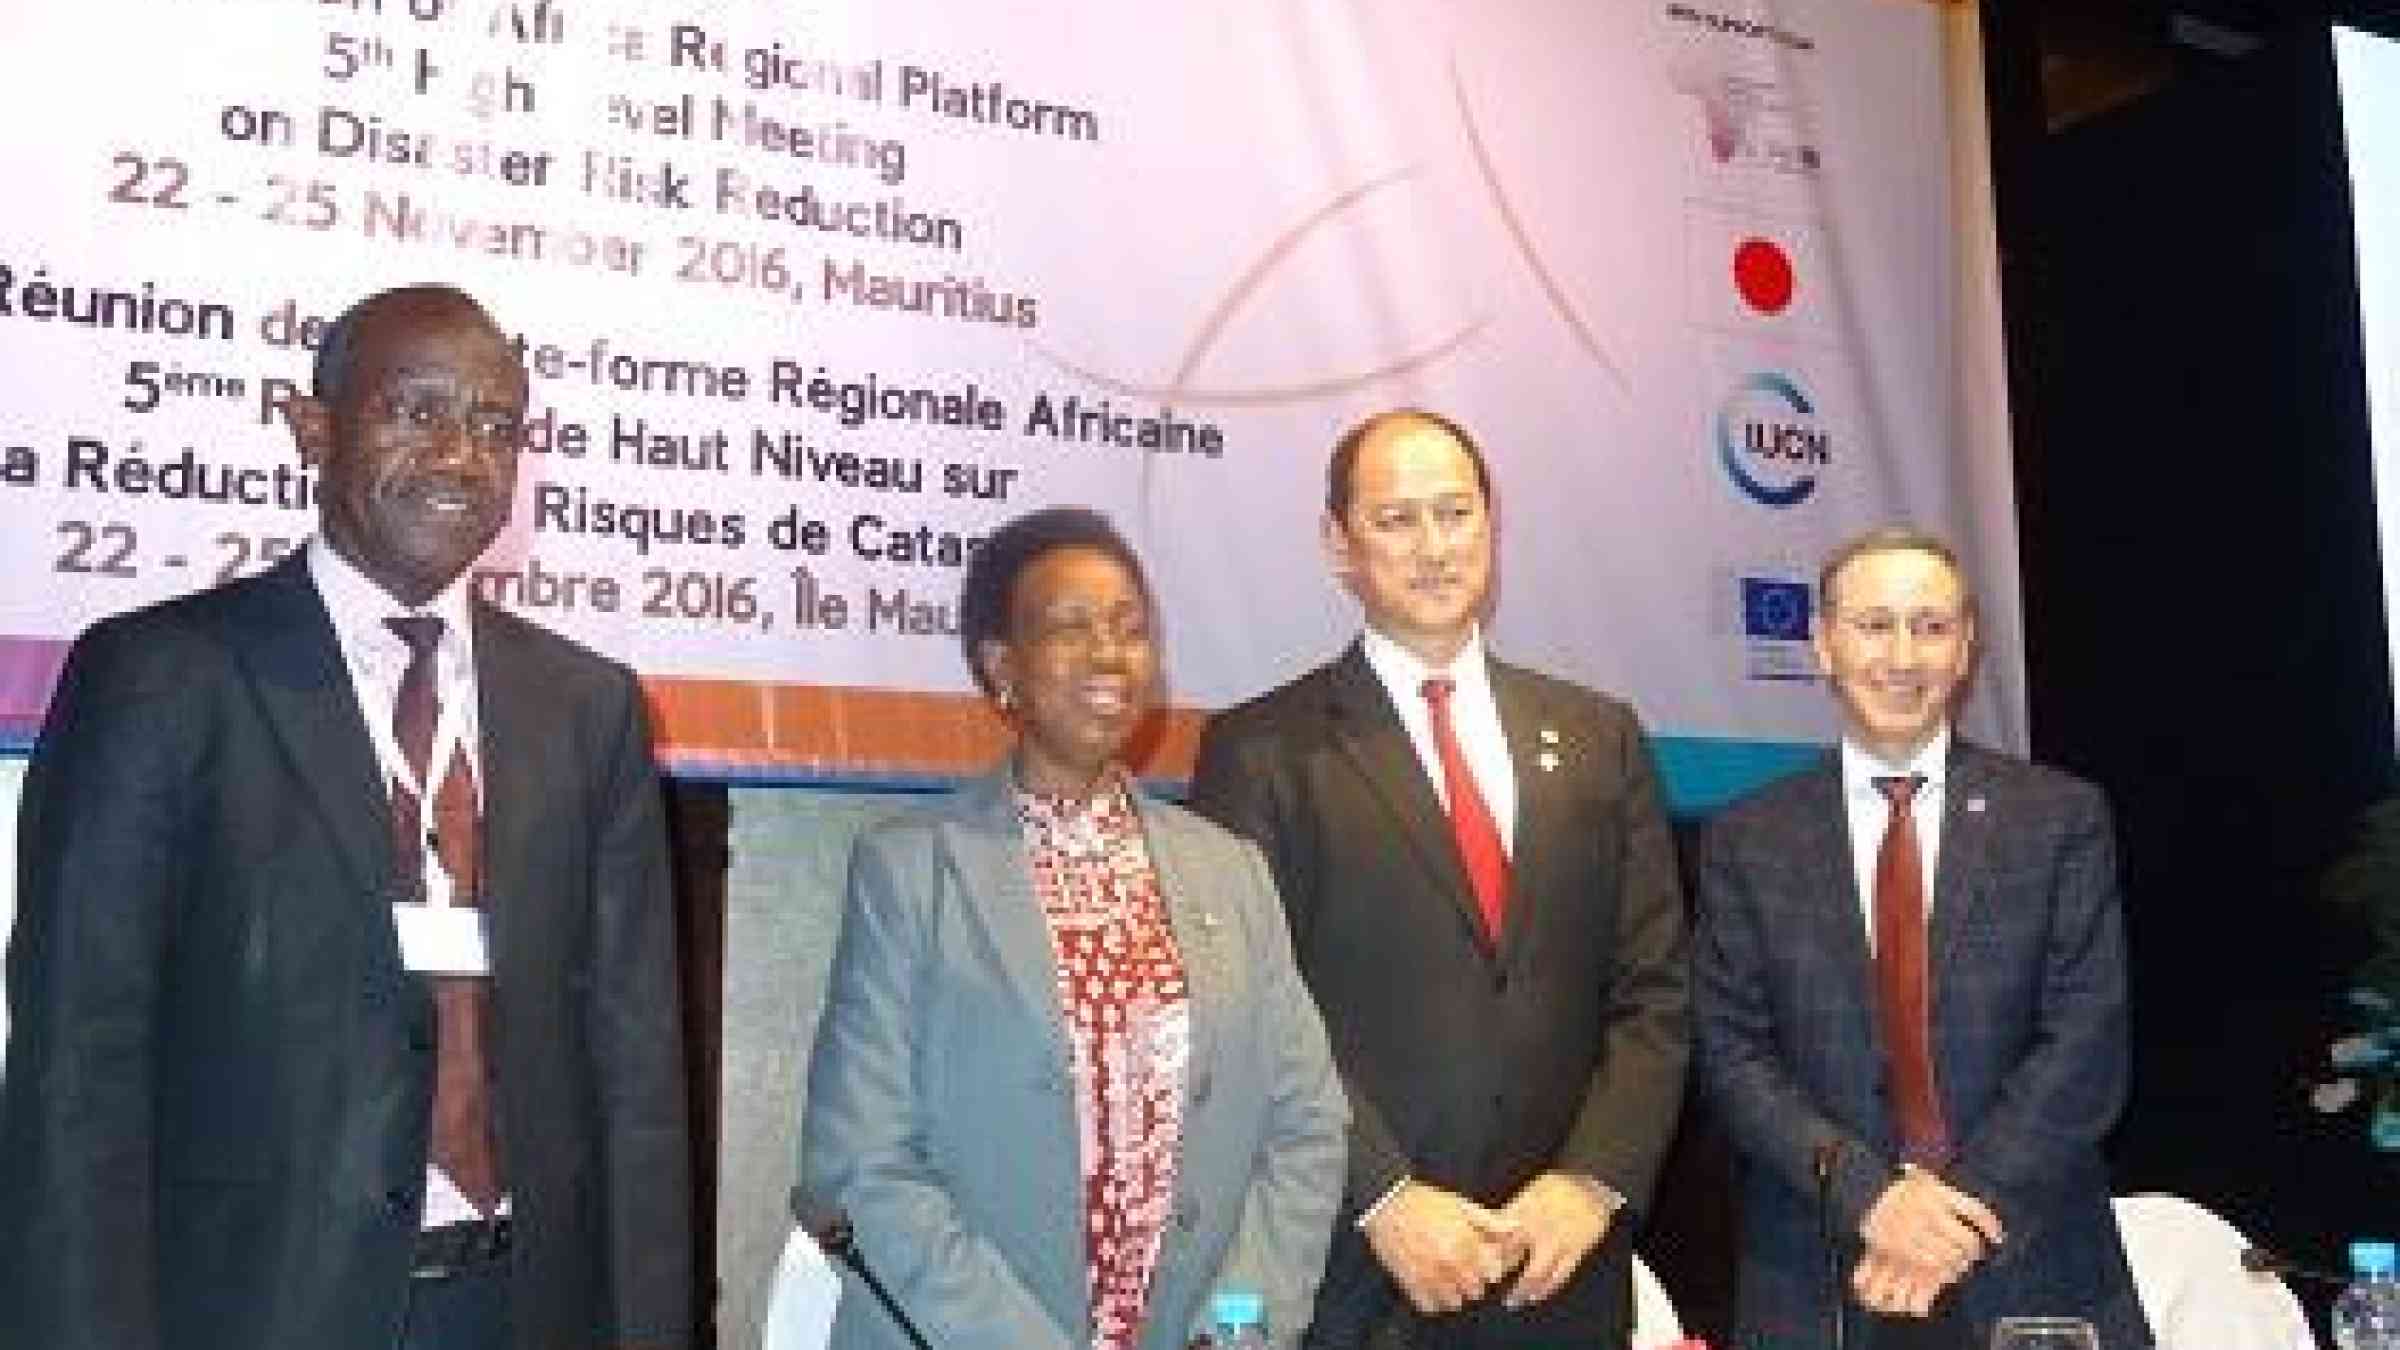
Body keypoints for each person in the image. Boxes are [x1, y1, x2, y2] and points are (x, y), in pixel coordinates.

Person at [0, 284, 692, 1350]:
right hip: (250, 1310)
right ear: (312, 430)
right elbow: (75, 1072)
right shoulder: (162, 679)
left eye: (496, 426)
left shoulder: (590, 706)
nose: (463, 456)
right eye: (416, 412)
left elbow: (637, 1070)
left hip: (522, 1307)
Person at [1188, 410, 1689, 1349]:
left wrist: (1591, 1182)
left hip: (1561, 1268)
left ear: (1493, 527)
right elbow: (1242, 1005)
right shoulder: (1260, 751)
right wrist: (1380, 1195)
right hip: (1365, 1269)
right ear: (1338, 544)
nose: (1433, 548)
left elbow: (1653, 992)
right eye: (1396, 520)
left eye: (1455, 513)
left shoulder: (1599, 736)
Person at [800, 506, 1347, 1350]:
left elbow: (1307, 1124)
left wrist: (1236, 1330)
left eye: (1131, 628)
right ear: (1001, 668)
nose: (1109, 653)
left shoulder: (1231, 871)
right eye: (1071, 627)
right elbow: (862, 1164)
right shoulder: (910, 872)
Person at [1690, 526, 2149, 1349]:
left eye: (1932, 627)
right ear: (1824, 644)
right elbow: (1730, 1055)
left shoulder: (2059, 819)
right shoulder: (1746, 839)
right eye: (1874, 624)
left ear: (1966, 648)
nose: (1903, 656)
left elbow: (2086, 1046)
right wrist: (1876, 1199)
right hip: (1819, 1266)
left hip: (2027, 1250)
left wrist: (1957, 1219)